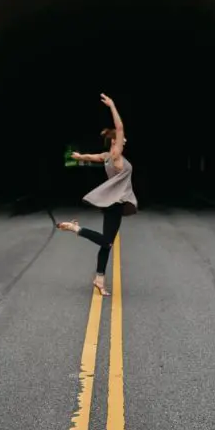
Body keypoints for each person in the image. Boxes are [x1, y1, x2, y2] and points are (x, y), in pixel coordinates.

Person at [57, 94, 137, 296]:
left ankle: (99, 279)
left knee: (106, 243)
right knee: (107, 241)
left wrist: (78, 156)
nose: (124, 141)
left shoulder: (106, 157)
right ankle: (76, 229)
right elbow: (119, 129)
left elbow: (91, 157)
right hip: (115, 204)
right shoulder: (116, 155)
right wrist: (113, 106)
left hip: (112, 204)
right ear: (114, 143)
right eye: (121, 140)